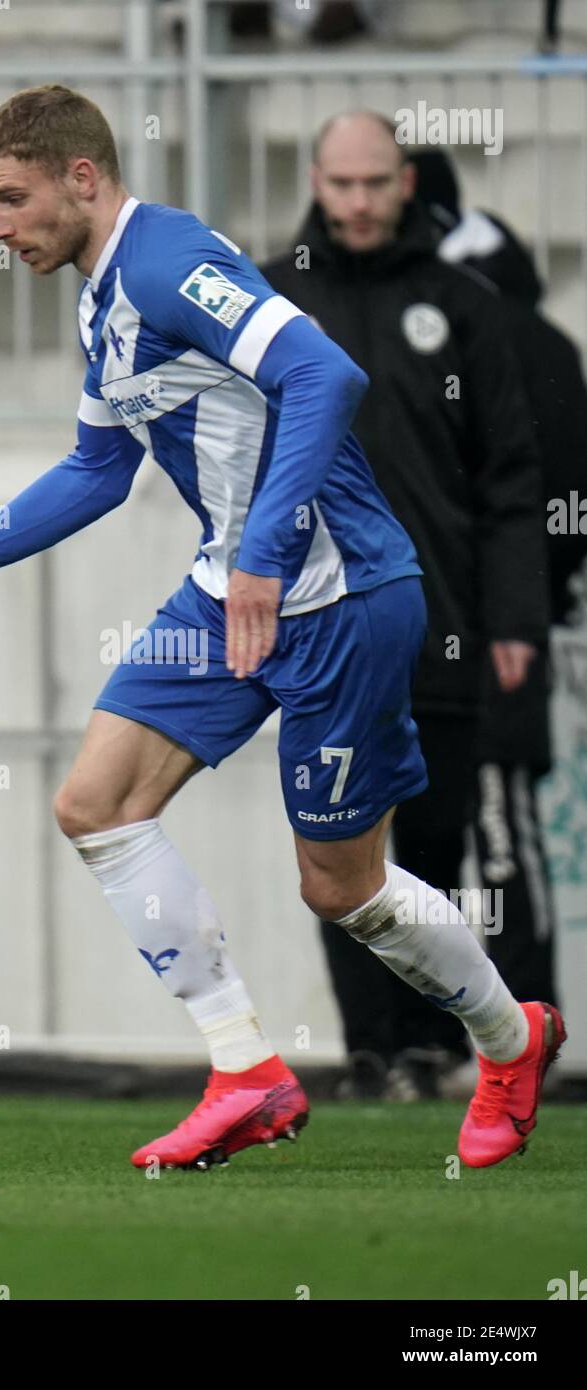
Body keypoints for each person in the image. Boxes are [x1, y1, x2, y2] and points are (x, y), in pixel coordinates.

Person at [0, 85, 565, 1170]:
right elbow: (95, 471)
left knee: (340, 886)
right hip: (231, 592)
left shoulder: (169, 265)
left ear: (81, 178)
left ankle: (509, 1040)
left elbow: (326, 371)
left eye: (8, 199)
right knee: (94, 803)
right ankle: (245, 1071)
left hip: (341, 597)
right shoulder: (101, 298)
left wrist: (264, 549)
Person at [260, 112, 557, 1100]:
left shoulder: (460, 305)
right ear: (315, 178)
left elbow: (511, 479)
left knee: (428, 841)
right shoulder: (273, 297)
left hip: (443, 623)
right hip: (317, 624)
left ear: (402, 182)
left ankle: (433, 1041)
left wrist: (514, 618)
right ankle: (369, 1048)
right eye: (338, 183)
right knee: (335, 836)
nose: (354, 202)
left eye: (372, 183)